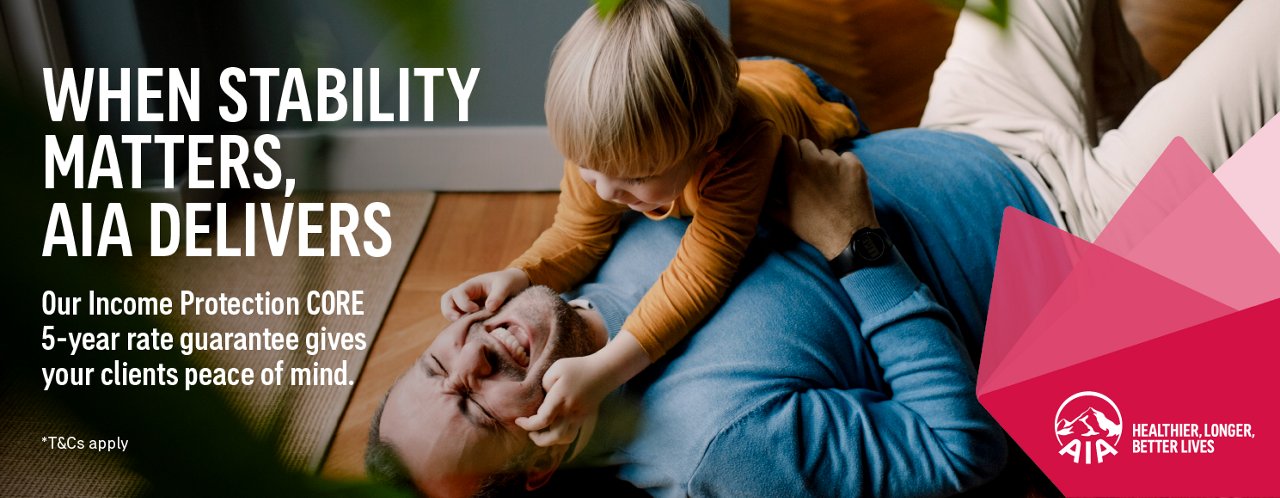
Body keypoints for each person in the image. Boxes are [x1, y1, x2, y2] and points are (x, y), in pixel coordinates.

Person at [372, 0, 1280, 495]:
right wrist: (857, 247)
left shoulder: (593, 246)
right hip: (1082, 231)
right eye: (477, 405)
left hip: (970, 131)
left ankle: (1144, 106)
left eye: (432, 368)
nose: (469, 356)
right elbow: (959, 456)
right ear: (537, 465)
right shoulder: (721, 448)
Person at [440, 0, 862, 450]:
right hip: (728, 79)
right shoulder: (604, 144)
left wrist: (606, 370)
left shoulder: (744, 143)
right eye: (587, 167)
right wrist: (522, 273)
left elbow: (700, 274)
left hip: (798, 94)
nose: (604, 191)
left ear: (706, 145)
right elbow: (579, 234)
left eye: (636, 177)